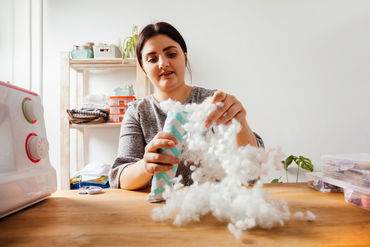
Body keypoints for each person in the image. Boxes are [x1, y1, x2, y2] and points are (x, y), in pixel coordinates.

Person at [110, 22, 264, 190]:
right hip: (156, 210)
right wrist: (145, 166)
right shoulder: (137, 112)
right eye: (152, 59)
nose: (163, 63)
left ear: (185, 57)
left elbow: (253, 169)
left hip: (214, 207)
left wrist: (239, 123)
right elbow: (120, 177)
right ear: (143, 67)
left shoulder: (213, 102)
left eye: (171, 54)